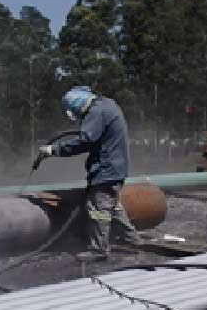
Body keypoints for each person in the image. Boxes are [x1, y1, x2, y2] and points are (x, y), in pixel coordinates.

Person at [38, 85, 142, 261]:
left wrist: (53, 150)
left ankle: (99, 250)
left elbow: (85, 140)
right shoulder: (107, 105)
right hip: (115, 168)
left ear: (78, 104)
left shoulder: (96, 112)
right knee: (112, 206)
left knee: (98, 210)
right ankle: (131, 239)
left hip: (106, 169)